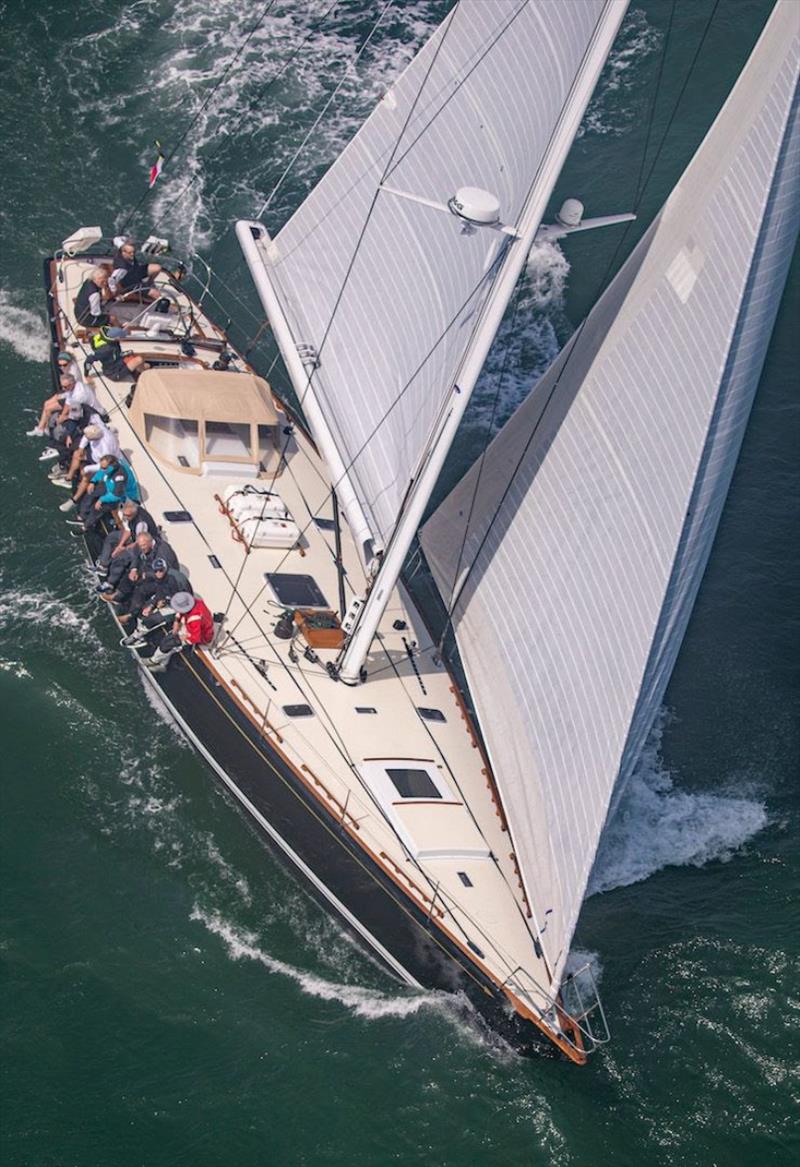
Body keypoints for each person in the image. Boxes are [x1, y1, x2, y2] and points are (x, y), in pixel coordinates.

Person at [141, 590, 215, 671]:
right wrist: (176, 621)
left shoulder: (194, 619)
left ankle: (154, 660)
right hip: (190, 626)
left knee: (169, 643)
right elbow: (181, 612)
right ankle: (163, 664)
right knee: (169, 638)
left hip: (199, 635)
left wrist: (182, 638)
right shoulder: (196, 602)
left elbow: (195, 637)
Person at [93, 499, 160, 584]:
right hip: (133, 535)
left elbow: (138, 542)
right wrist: (119, 545)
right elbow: (128, 530)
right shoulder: (130, 515)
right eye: (124, 515)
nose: (125, 517)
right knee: (112, 537)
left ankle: (111, 582)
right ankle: (103, 565)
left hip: (141, 543)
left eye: (127, 516)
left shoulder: (141, 524)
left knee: (122, 556)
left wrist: (124, 548)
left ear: (134, 514)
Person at [56, 421, 121, 509]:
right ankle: (68, 478)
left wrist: (87, 469)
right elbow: (86, 437)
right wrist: (81, 448)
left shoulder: (106, 449)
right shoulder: (97, 428)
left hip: (103, 463)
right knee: (76, 454)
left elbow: (102, 466)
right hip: (94, 454)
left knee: (86, 476)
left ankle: (74, 500)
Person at [119, 558, 191, 635]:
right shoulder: (161, 578)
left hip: (181, 604)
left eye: (161, 570)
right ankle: (133, 618)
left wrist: (164, 602)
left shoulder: (172, 581)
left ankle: (141, 633)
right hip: (170, 598)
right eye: (156, 571)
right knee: (146, 607)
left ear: (165, 569)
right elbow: (161, 592)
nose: (158, 573)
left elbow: (177, 598)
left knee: (153, 618)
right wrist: (151, 605)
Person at [26, 353, 82, 437]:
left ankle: (48, 428)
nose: (62, 367)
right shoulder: (69, 367)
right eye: (60, 365)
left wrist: (61, 396)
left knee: (48, 409)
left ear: (69, 362)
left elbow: (72, 392)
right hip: (67, 392)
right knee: (46, 403)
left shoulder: (73, 373)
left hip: (72, 396)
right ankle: (41, 428)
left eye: (64, 365)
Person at [108, 239, 165, 304]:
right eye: (130, 253)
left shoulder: (122, 246)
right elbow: (111, 280)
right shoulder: (121, 269)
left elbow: (116, 239)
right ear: (123, 252)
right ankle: (146, 296)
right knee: (156, 294)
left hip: (136, 271)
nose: (132, 254)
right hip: (131, 283)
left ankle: (149, 283)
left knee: (157, 268)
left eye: (133, 252)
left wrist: (125, 240)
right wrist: (116, 293)